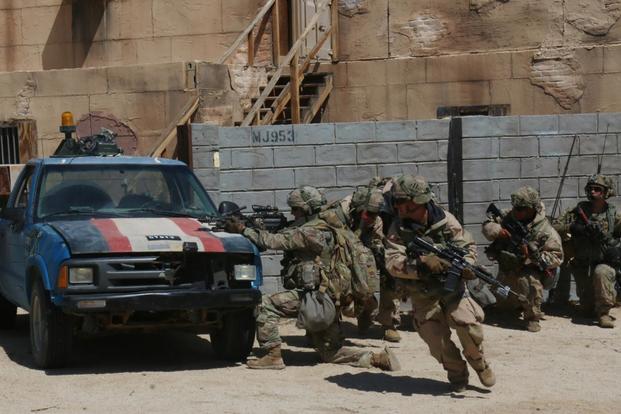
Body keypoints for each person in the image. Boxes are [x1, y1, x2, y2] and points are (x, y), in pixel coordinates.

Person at [225, 185, 400, 370]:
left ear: (307, 209)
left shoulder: (310, 232)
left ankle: (272, 356)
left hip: (318, 301)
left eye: (296, 209)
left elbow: (271, 241)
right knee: (331, 352)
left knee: (265, 304)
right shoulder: (332, 226)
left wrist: (243, 229)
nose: (293, 213)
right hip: (332, 299)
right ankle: (376, 358)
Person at [384, 174, 495, 392]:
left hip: (453, 289)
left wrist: (464, 266)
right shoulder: (397, 229)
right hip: (422, 293)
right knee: (437, 342)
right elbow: (391, 262)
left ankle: (480, 365)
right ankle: (457, 376)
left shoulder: (447, 222)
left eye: (409, 208)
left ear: (424, 203)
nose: (403, 213)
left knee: (468, 326)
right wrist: (421, 264)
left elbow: (469, 249)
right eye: (400, 208)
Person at [482, 186, 563, 332]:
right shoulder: (508, 216)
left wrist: (531, 256)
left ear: (532, 208)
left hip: (530, 271)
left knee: (529, 283)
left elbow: (557, 257)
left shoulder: (545, 230)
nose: (517, 212)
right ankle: (513, 306)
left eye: (522, 209)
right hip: (508, 268)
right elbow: (487, 225)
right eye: (516, 208)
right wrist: (497, 231)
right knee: (502, 304)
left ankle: (532, 317)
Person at [326, 185, 401, 342]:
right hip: (338, 255)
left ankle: (388, 321)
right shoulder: (336, 215)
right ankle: (329, 326)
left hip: (360, 253)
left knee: (388, 271)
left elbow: (375, 242)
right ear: (357, 209)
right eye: (368, 214)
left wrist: (381, 256)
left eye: (375, 214)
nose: (371, 218)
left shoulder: (375, 220)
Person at [553, 175, 620, 328]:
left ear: (606, 192)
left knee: (601, 272)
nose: (593, 192)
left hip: (602, 263)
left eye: (598, 189)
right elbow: (554, 227)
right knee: (586, 309)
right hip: (582, 265)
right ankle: (592, 304)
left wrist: (616, 250)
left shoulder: (612, 214)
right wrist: (574, 228)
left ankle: (604, 314)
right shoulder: (578, 211)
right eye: (590, 189)